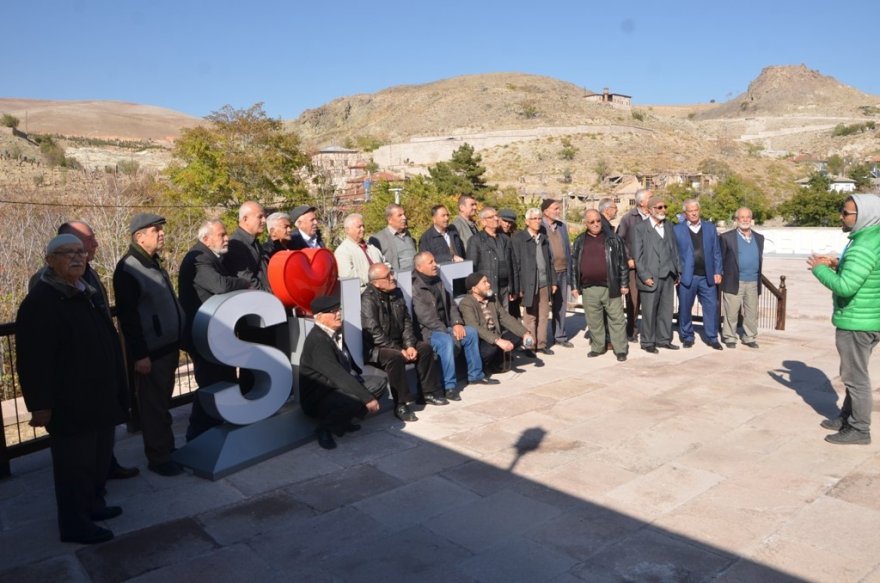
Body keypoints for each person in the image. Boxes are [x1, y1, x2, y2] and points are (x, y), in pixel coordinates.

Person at [16, 234, 128, 544]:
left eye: (80, 252)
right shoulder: (41, 302)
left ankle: (93, 505)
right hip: (70, 403)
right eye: (68, 253)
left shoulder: (83, 291)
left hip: (99, 396)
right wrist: (40, 404)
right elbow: (32, 360)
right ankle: (75, 525)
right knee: (73, 468)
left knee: (97, 461)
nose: (78, 257)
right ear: (49, 260)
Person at [53, 221, 139, 481]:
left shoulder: (88, 273)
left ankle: (105, 466)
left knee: (105, 422)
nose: (95, 244)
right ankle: (90, 483)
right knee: (82, 442)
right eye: (89, 240)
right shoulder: (51, 284)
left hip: (103, 363)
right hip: (78, 374)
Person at [112, 213, 185, 477]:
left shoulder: (152, 262)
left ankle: (167, 449)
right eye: (155, 230)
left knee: (161, 404)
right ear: (139, 236)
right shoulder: (128, 268)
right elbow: (128, 318)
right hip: (152, 352)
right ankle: (159, 457)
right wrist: (140, 355)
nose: (162, 233)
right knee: (153, 407)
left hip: (167, 346)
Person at [808, 194, 880, 445]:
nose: (841, 216)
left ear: (863, 216)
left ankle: (859, 429)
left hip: (856, 322)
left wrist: (819, 269)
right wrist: (838, 263)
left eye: (846, 213)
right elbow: (865, 273)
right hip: (869, 318)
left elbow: (846, 287)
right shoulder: (872, 239)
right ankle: (847, 417)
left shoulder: (862, 246)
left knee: (854, 378)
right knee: (854, 373)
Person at [178, 220, 252, 441]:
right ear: (206, 238)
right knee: (211, 384)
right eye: (221, 235)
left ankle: (218, 428)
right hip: (203, 334)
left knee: (222, 381)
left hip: (214, 333)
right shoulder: (199, 258)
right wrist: (243, 283)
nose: (226, 238)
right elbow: (220, 285)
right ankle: (198, 434)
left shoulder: (210, 257)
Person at [361, 262, 446, 420]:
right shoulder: (368, 298)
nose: (392, 278)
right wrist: (399, 349)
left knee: (425, 348)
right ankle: (401, 404)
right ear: (376, 282)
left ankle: (427, 393)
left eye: (391, 273)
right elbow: (374, 333)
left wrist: (409, 345)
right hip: (377, 348)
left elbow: (406, 321)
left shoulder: (396, 292)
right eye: (387, 276)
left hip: (400, 342)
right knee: (395, 357)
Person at [299, 294, 384, 450]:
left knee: (378, 383)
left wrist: (359, 380)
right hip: (319, 396)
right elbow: (337, 375)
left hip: (334, 387)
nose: (338, 314)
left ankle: (344, 420)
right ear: (319, 317)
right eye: (332, 311)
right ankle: (325, 429)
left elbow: (346, 362)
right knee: (356, 396)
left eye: (338, 309)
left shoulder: (333, 332)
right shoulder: (318, 340)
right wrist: (367, 398)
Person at [411, 251, 497, 395]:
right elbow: (426, 318)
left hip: (446, 327)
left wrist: (457, 323)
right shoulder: (415, 287)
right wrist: (449, 332)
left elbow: (451, 304)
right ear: (419, 267)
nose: (435, 265)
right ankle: (449, 386)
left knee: (470, 332)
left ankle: (476, 375)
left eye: (434, 261)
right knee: (445, 341)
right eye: (431, 262)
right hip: (428, 332)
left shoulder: (437, 280)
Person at [571, 209, 629, 361]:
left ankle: (620, 349)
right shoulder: (579, 241)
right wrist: (574, 286)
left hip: (611, 286)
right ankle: (598, 347)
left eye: (598, 221)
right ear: (585, 223)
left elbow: (622, 263)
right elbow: (573, 265)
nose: (596, 224)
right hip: (589, 288)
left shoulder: (613, 239)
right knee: (594, 321)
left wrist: (624, 283)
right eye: (592, 222)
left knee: (617, 319)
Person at [459, 271, 535, 373]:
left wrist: (525, 333)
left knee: (518, 336)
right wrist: (498, 341)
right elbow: (475, 327)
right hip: (481, 340)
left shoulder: (492, 299)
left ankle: (497, 359)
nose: (488, 284)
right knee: (491, 348)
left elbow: (504, 317)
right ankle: (482, 365)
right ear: (474, 289)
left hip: (496, 334)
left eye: (487, 281)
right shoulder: (466, 303)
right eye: (484, 282)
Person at [632, 197, 681, 353]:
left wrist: (677, 271)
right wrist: (644, 275)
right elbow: (638, 256)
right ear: (650, 210)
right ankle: (647, 342)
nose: (663, 210)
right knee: (649, 312)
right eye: (659, 207)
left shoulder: (669, 225)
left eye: (664, 207)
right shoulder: (640, 228)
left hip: (668, 275)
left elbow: (674, 249)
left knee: (666, 310)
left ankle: (663, 339)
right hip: (650, 277)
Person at [673, 199, 723, 350]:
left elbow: (716, 251)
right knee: (685, 308)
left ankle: (712, 337)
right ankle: (687, 336)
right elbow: (674, 254)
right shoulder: (677, 230)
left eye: (696, 210)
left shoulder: (710, 228)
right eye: (690, 211)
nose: (694, 213)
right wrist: (677, 274)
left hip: (707, 277)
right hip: (687, 277)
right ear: (685, 213)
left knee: (711, 307)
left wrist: (718, 271)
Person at [511, 208, 557, 355]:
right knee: (530, 316)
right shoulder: (519, 239)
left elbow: (550, 262)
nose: (537, 221)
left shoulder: (543, 238)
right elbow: (516, 265)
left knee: (544, 315)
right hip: (528, 284)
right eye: (534, 219)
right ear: (527, 221)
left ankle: (542, 344)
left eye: (539, 218)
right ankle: (530, 346)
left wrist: (553, 282)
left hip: (544, 283)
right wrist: (518, 287)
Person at [719, 207, 765, 349]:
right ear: (736, 220)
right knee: (731, 312)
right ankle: (729, 337)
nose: (745, 220)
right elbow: (720, 259)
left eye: (748, 217)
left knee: (751, 312)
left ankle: (749, 337)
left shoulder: (759, 238)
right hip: (734, 280)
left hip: (753, 281)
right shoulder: (726, 237)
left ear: (751, 219)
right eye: (742, 217)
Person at [617, 188, 652, 342]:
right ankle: (631, 331)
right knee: (633, 300)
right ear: (642, 202)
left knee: (650, 300)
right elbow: (620, 241)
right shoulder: (628, 218)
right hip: (633, 267)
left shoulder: (655, 216)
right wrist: (628, 258)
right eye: (650, 197)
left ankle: (650, 332)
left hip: (651, 266)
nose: (653, 199)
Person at [467, 206, 516, 311]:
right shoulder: (475, 240)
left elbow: (512, 264)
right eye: (491, 217)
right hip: (488, 288)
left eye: (496, 216)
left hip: (505, 288)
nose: (496, 219)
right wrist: (477, 290)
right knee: (491, 317)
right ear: (483, 222)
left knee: (505, 316)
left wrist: (513, 287)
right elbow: (471, 267)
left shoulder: (505, 239)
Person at [540, 199, 574, 349]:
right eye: (555, 209)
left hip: (563, 271)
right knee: (542, 307)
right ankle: (540, 340)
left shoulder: (561, 226)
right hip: (547, 273)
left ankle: (559, 336)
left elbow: (567, 250)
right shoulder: (539, 227)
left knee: (560, 305)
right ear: (546, 211)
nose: (558, 211)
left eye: (559, 209)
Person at [334, 213, 385, 291]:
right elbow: (348, 278)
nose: (363, 229)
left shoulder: (372, 247)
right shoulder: (342, 251)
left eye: (363, 226)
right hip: (362, 293)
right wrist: (377, 278)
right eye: (359, 227)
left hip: (382, 291)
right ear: (347, 230)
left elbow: (384, 263)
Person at [226, 200, 268, 290]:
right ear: (245, 219)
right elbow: (247, 280)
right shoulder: (236, 245)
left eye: (264, 217)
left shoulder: (254, 241)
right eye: (260, 217)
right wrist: (268, 294)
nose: (264, 220)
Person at [368, 203, 417, 274]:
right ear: (390, 220)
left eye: (404, 214)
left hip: (415, 277)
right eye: (399, 215)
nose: (404, 217)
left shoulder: (407, 234)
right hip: (397, 278)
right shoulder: (378, 239)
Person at [498, 208, 522, 318]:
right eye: (505, 221)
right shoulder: (495, 237)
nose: (507, 224)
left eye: (510, 222)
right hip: (502, 282)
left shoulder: (516, 236)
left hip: (515, 279)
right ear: (498, 219)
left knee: (514, 313)